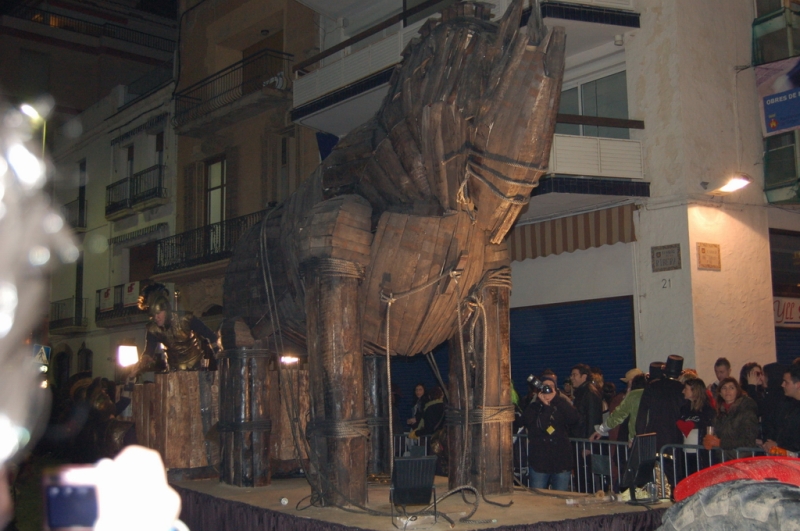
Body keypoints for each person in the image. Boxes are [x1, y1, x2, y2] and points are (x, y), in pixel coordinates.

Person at [138, 283, 218, 372]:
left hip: (195, 366)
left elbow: (211, 336)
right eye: (153, 315)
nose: (156, 317)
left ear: (166, 310)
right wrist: (144, 359)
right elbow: (149, 350)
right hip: (173, 369)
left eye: (158, 313)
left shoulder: (185, 319)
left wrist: (218, 360)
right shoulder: (153, 329)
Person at [522, 375, 579, 491]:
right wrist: (545, 406)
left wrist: (556, 399)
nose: (548, 389)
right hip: (540, 463)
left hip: (561, 461)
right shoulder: (534, 407)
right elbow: (539, 426)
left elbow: (574, 418)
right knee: (538, 500)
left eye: (551, 386)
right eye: (545, 386)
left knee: (560, 499)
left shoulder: (562, 404)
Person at [636, 355, 686, 452]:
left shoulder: (652, 387)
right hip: (675, 439)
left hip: (654, 438)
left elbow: (642, 416)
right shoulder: (682, 389)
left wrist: (641, 436)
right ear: (680, 374)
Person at [703, 377, 759, 460]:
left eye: (731, 388)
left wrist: (721, 443)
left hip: (741, 459)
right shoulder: (719, 413)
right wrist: (708, 440)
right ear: (720, 393)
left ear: (737, 391)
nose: (727, 391)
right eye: (724, 388)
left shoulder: (746, 410)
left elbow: (749, 440)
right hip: (723, 459)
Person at [591, 374, 647, 444]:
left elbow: (618, 415)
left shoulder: (633, 396)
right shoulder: (657, 394)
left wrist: (601, 430)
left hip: (636, 440)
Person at [678, 377, 715, 476]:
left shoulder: (707, 410)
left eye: (686, 388)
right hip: (686, 452)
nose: (683, 391)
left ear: (695, 391)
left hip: (701, 454)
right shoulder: (684, 409)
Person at [762, 364, 800, 454]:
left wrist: (778, 444)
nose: (782, 385)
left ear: (798, 385)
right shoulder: (786, 405)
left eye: (786, 382)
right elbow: (774, 426)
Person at [568, 364, 603, 439]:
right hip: (580, 437)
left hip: (584, 439)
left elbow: (592, 419)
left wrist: (588, 446)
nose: (571, 378)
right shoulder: (582, 392)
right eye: (571, 375)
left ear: (584, 376)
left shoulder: (589, 393)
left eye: (574, 375)